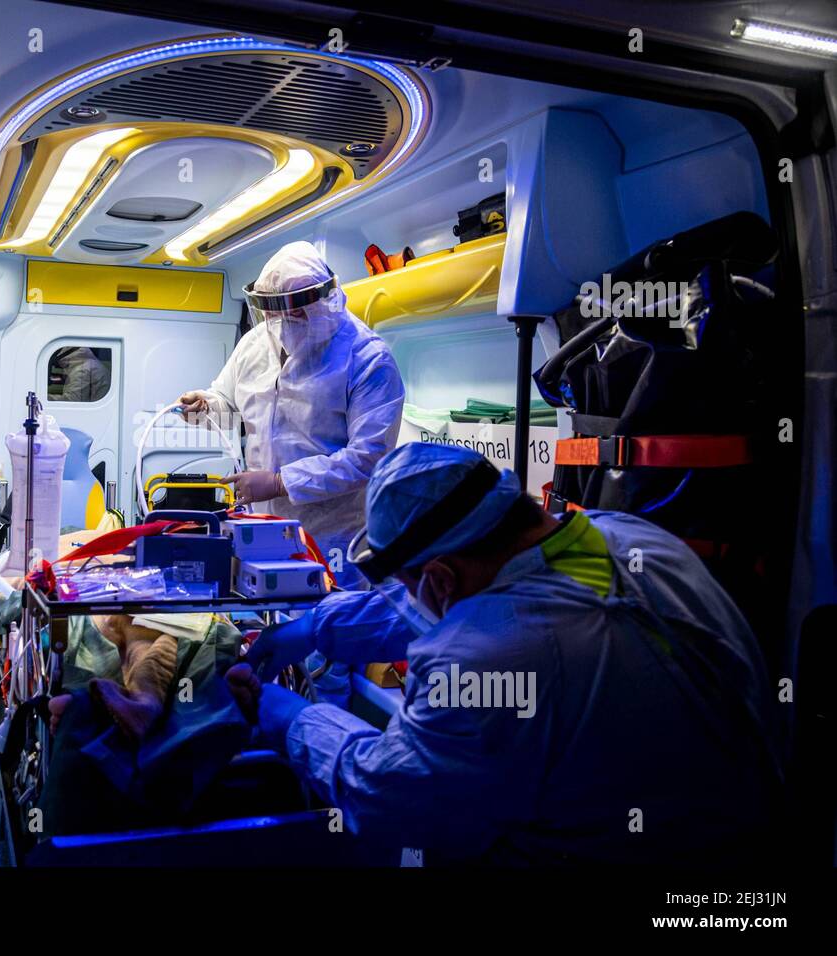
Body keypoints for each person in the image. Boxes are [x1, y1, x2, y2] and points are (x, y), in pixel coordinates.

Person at [228, 443, 781, 864]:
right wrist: (315, 628)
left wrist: (292, 719)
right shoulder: (627, 539)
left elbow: (392, 804)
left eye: (414, 582)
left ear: (440, 578)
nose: (411, 598)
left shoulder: (483, 659)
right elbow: (450, 602)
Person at [178, 241, 404, 591]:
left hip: (330, 539)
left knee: (327, 630)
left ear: (324, 303)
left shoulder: (366, 359)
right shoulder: (255, 344)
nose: (282, 325)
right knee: (262, 622)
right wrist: (206, 406)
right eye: (272, 314)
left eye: (295, 314)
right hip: (259, 529)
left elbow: (369, 459)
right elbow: (228, 402)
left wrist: (281, 482)